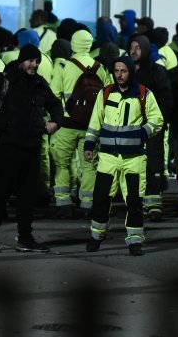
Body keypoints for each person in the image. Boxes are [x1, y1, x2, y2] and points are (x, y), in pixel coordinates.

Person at [0, 44, 63, 253]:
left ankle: (25, 237)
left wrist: (56, 122)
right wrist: (5, 125)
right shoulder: (3, 80)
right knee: (1, 192)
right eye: (31, 61)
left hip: (32, 146)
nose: (34, 65)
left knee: (28, 195)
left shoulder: (38, 83)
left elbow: (55, 104)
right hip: (7, 147)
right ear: (22, 60)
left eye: (37, 62)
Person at [83, 56, 164, 256]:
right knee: (101, 198)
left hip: (134, 158)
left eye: (123, 71)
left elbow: (157, 120)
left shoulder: (144, 94)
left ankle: (135, 240)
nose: (119, 75)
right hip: (107, 157)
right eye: (116, 71)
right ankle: (96, 236)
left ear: (130, 72)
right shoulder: (105, 93)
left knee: (134, 201)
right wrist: (89, 145)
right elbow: (95, 122)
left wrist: (142, 133)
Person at [50, 29, 112, 217]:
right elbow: (107, 96)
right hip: (90, 127)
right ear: (90, 44)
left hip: (66, 125)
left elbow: (53, 95)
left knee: (61, 164)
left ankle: (63, 203)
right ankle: (88, 204)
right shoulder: (100, 68)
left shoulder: (63, 67)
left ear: (73, 44)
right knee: (89, 165)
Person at [129, 35, 172, 221]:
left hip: (152, 127)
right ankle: (137, 204)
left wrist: (157, 122)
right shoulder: (126, 71)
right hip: (130, 127)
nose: (134, 51)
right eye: (132, 47)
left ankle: (154, 205)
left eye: (138, 47)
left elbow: (165, 99)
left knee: (153, 165)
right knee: (133, 166)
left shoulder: (157, 71)